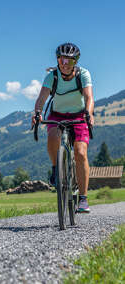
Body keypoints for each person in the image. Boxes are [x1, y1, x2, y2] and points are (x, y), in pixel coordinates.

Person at [32, 42, 94, 213]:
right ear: (57, 60)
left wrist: (89, 114)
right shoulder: (52, 76)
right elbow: (41, 98)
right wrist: (37, 112)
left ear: (76, 62)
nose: (65, 64)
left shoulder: (83, 74)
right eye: (62, 60)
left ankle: (82, 198)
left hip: (79, 115)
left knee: (80, 153)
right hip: (57, 115)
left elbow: (89, 97)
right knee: (52, 137)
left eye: (69, 61)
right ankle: (56, 168)